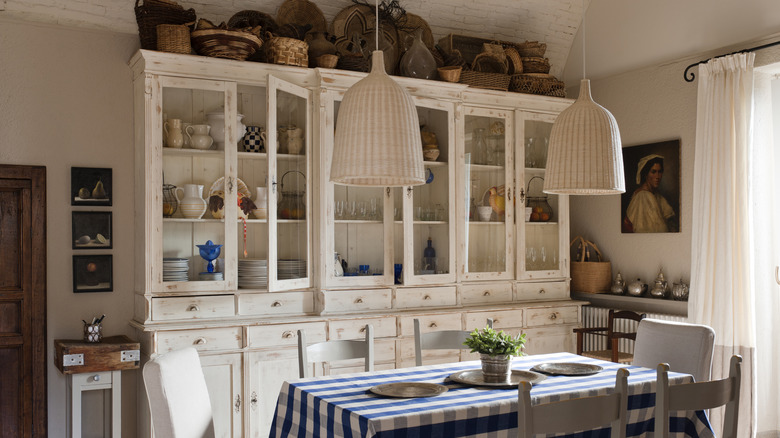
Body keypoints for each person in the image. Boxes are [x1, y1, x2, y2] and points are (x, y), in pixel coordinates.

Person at [622, 154, 677, 233]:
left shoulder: (657, 195)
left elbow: (670, 217)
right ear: (646, 174)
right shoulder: (643, 196)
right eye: (653, 172)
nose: (657, 176)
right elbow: (660, 229)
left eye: (660, 172)